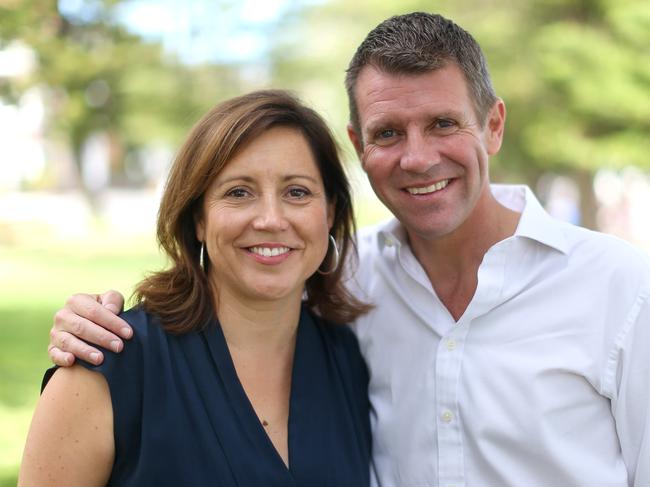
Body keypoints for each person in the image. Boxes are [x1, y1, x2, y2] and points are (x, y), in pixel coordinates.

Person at [45, 12, 650, 487]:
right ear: (360, 146)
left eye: (443, 123)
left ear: (493, 125)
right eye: (389, 133)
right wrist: (87, 322)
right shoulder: (354, 287)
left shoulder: (621, 288)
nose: (417, 157)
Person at [20, 90, 372, 486]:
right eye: (239, 192)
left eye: (297, 192)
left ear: (330, 213)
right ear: (198, 219)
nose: (271, 219)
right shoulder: (109, 366)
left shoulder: (348, 359)